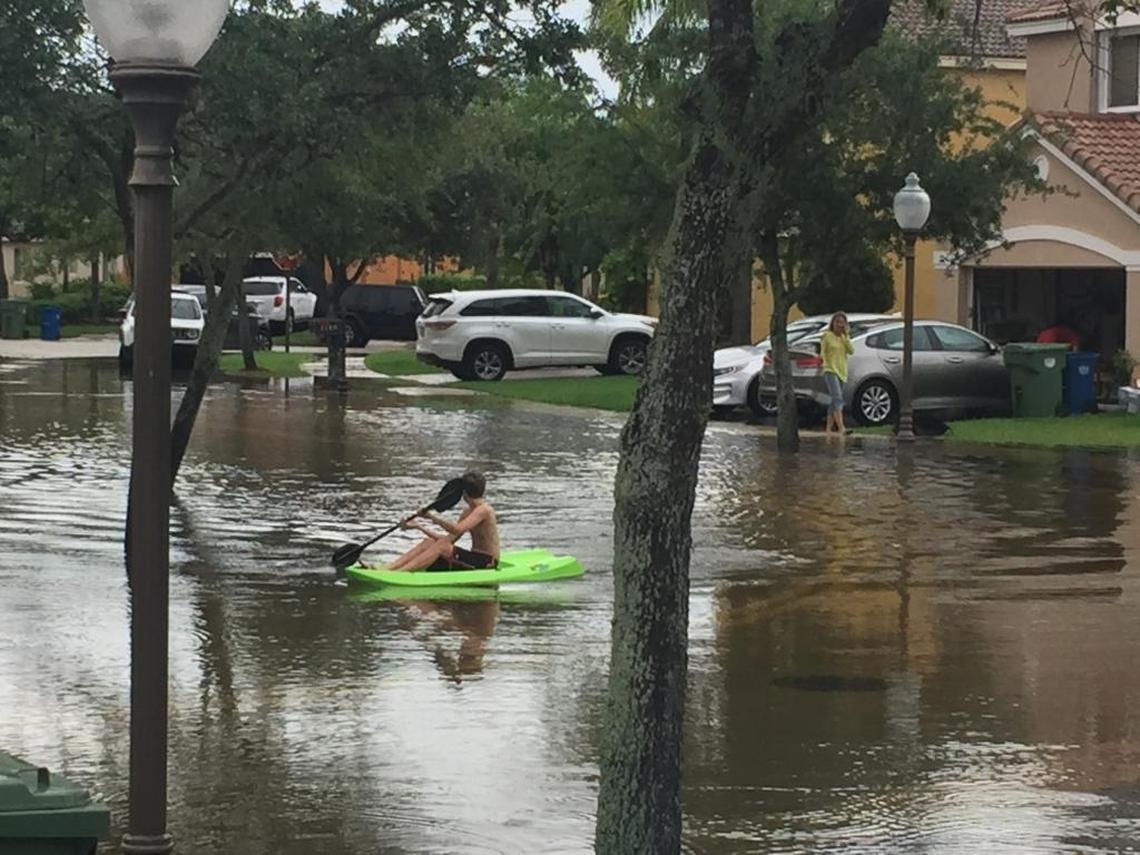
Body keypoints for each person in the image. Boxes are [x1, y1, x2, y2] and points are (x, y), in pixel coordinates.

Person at [386, 471, 500, 571]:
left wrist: (432, 517)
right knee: (429, 542)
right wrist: (418, 527)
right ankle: (389, 568)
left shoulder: (484, 510)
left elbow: (457, 529)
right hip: (473, 558)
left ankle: (401, 573)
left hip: (487, 562)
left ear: (464, 493)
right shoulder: (467, 512)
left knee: (442, 546)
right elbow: (450, 539)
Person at [820, 311, 855, 436]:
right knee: (838, 398)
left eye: (842, 323)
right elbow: (823, 351)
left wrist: (846, 337)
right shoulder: (827, 336)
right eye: (837, 322)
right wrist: (823, 362)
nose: (839, 325)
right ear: (832, 323)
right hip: (830, 370)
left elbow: (851, 351)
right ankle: (841, 427)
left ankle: (828, 429)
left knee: (833, 401)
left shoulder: (844, 338)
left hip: (842, 371)